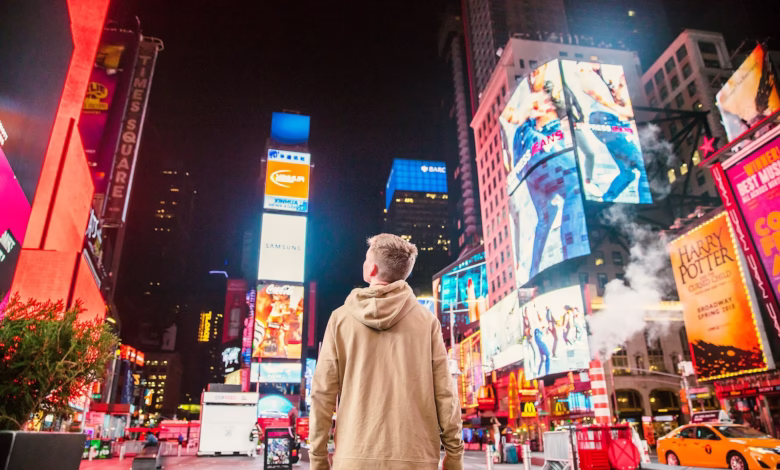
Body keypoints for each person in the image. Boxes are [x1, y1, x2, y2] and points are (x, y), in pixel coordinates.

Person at [310, 234, 464, 470]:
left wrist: (319, 460)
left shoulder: (340, 319)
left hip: (354, 459)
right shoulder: (427, 322)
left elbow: (322, 395)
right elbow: (445, 395)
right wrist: (454, 457)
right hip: (417, 460)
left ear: (371, 268)